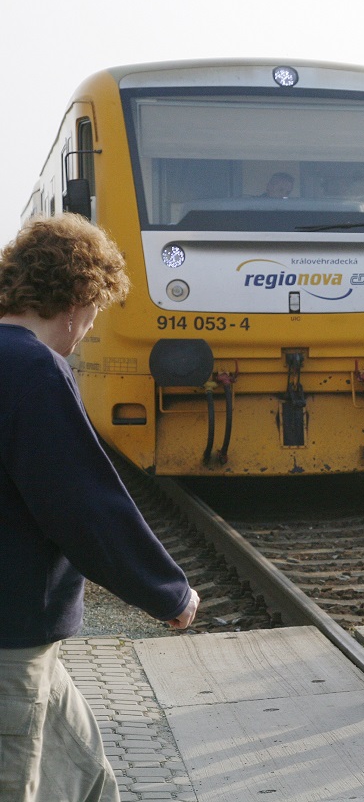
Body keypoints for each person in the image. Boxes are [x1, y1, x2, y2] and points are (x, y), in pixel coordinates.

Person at [1, 214, 200, 801]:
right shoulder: (33, 368)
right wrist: (167, 592)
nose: (88, 329)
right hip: (11, 639)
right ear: (78, 300)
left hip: (28, 639)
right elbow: (84, 505)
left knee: (86, 779)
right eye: (94, 313)